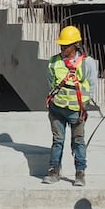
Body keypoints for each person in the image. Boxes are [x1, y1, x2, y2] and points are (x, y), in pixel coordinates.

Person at [43, 25, 98, 187]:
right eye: (62, 45)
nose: (63, 48)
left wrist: (83, 105)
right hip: (57, 108)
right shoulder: (53, 62)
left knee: (78, 142)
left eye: (66, 45)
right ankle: (54, 171)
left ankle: (80, 173)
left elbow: (92, 84)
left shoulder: (87, 63)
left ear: (76, 45)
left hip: (76, 111)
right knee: (57, 140)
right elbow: (50, 82)